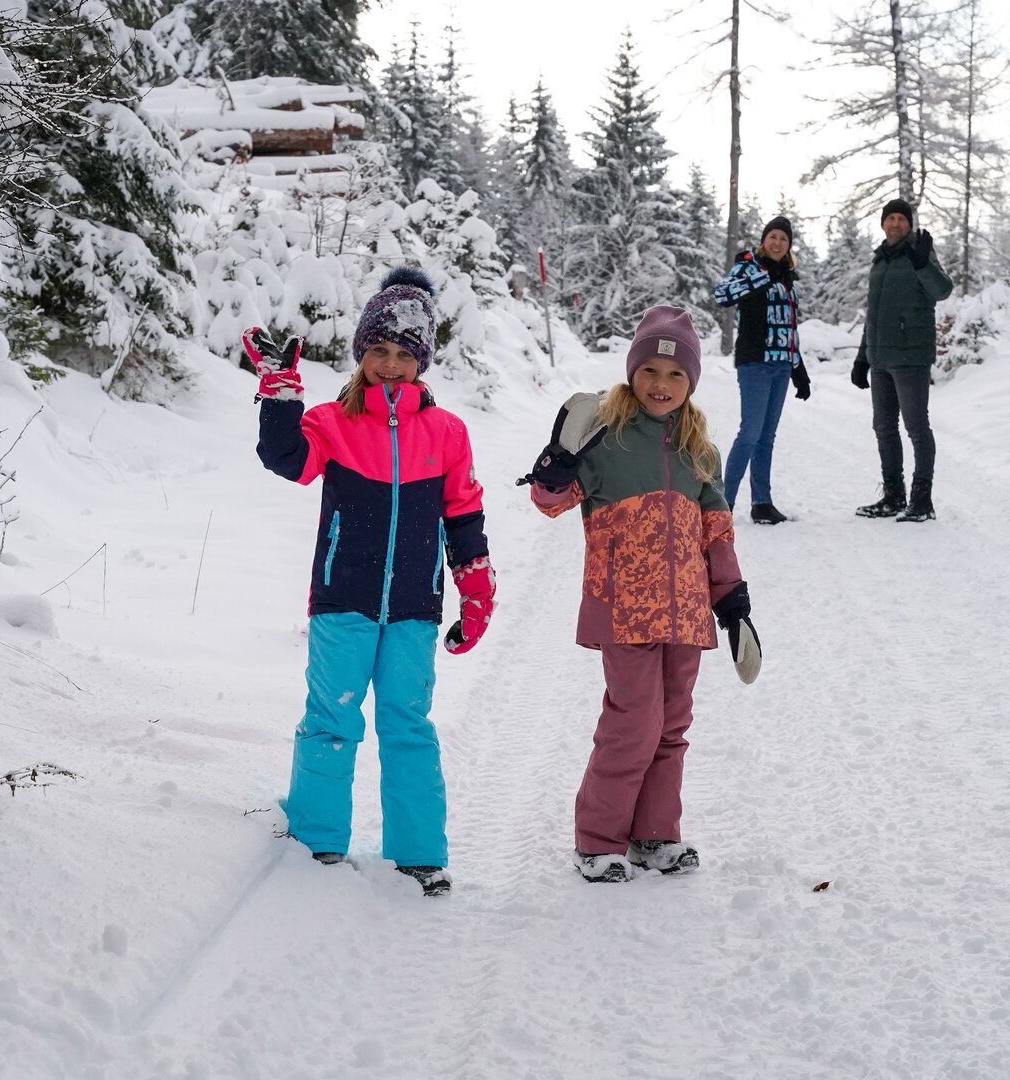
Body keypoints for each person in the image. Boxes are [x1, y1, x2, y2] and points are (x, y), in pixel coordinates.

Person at [250, 267, 494, 898]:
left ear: (423, 362)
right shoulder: (334, 421)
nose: (390, 365)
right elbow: (289, 462)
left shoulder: (446, 433)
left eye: (404, 355)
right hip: (342, 600)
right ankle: (317, 839)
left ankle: (418, 853)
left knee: (408, 723)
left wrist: (476, 588)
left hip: (414, 607)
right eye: (379, 352)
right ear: (362, 355)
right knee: (330, 717)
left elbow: (463, 513)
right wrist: (280, 396)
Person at [522, 305, 751, 884]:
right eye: (650, 370)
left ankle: (654, 835)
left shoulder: (701, 451)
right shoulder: (608, 440)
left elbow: (716, 534)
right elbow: (551, 503)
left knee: (673, 726)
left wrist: (734, 603)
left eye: (676, 375)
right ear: (632, 374)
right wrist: (554, 468)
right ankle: (598, 839)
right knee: (633, 723)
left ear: (691, 382)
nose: (662, 384)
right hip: (625, 609)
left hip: (689, 612)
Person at [851, 198, 953, 522]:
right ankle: (894, 496)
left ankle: (922, 500)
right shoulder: (880, 260)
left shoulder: (918, 253)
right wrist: (862, 357)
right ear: (883, 224)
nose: (895, 223)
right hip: (881, 358)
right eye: (890, 218)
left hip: (911, 357)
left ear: (908, 223)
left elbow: (942, 291)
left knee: (917, 428)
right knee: (883, 428)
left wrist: (922, 263)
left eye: (901, 218)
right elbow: (874, 313)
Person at [713, 216, 812, 525]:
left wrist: (799, 369)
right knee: (750, 433)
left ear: (789, 245)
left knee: (766, 436)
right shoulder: (748, 265)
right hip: (755, 362)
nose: (778, 242)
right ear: (764, 240)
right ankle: (722, 504)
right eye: (773, 236)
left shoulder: (787, 276)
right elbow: (722, 295)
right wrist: (763, 278)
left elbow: (789, 325)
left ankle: (761, 503)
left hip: (782, 364)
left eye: (784, 238)